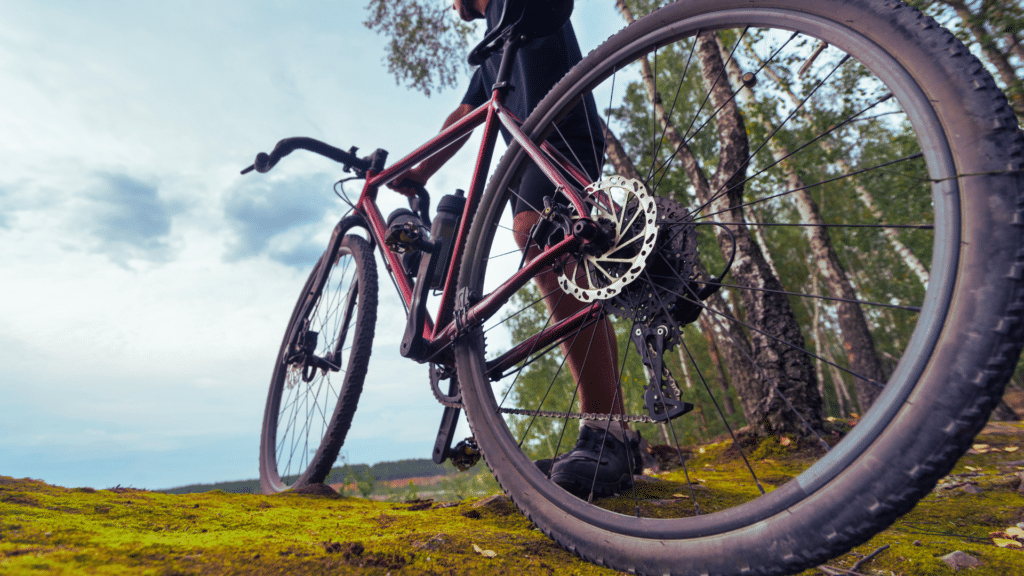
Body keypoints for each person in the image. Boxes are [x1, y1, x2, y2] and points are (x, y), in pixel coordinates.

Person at [391, 0, 641, 498]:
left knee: (543, 239)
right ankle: (614, 435)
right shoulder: (490, 45)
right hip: (529, 147)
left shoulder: (515, 6)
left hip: (558, 131)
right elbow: (465, 115)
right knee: (546, 252)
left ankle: (607, 432)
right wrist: (420, 171)